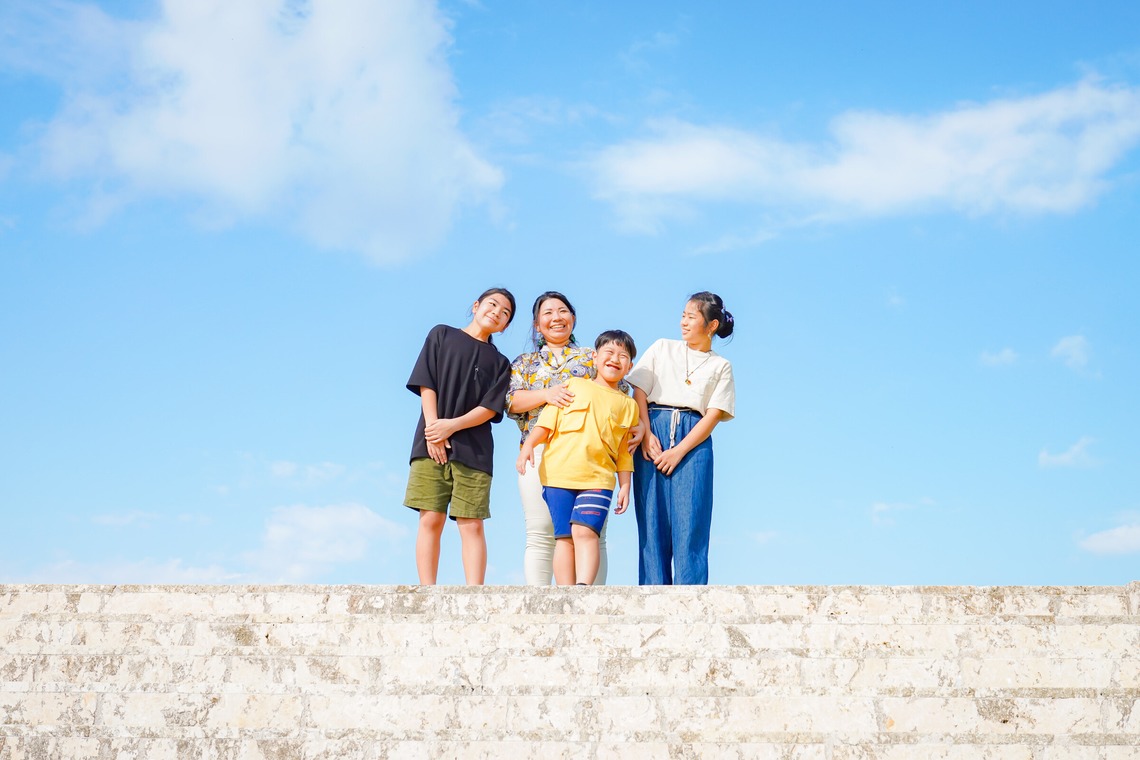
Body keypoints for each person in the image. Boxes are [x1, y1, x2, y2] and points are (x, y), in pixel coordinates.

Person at [506, 291, 634, 585]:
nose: (556, 318)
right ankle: (542, 598)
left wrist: (638, 426)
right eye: (547, 313)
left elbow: (622, 390)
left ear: (573, 319)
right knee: (542, 530)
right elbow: (509, 401)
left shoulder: (593, 355)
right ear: (537, 324)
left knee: (592, 532)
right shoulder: (524, 362)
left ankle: (589, 596)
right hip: (539, 450)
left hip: (591, 456)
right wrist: (547, 395)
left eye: (562, 311)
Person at [403, 287, 516, 585]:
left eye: (505, 313)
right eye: (493, 304)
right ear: (476, 305)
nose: (497, 312)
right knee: (430, 517)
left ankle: (474, 593)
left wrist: (451, 426)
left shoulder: (502, 362)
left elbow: (490, 409)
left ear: (505, 326)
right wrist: (434, 430)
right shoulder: (441, 334)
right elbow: (427, 383)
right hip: (430, 442)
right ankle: (427, 590)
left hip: (475, 450)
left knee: (472, 523)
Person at [627, 291, 736, 585]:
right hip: (654, 427)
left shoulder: (720, 365)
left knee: (692, 521)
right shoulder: (663, 348)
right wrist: (647, 433)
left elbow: (713, 414)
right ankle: (652, 594)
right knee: (652, 521)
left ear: (711, 325)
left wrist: (679, 451)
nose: (683, 322)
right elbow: (639, 390)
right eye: (683, 315)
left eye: (691, 317)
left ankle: (691, 595)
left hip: (694, 437)